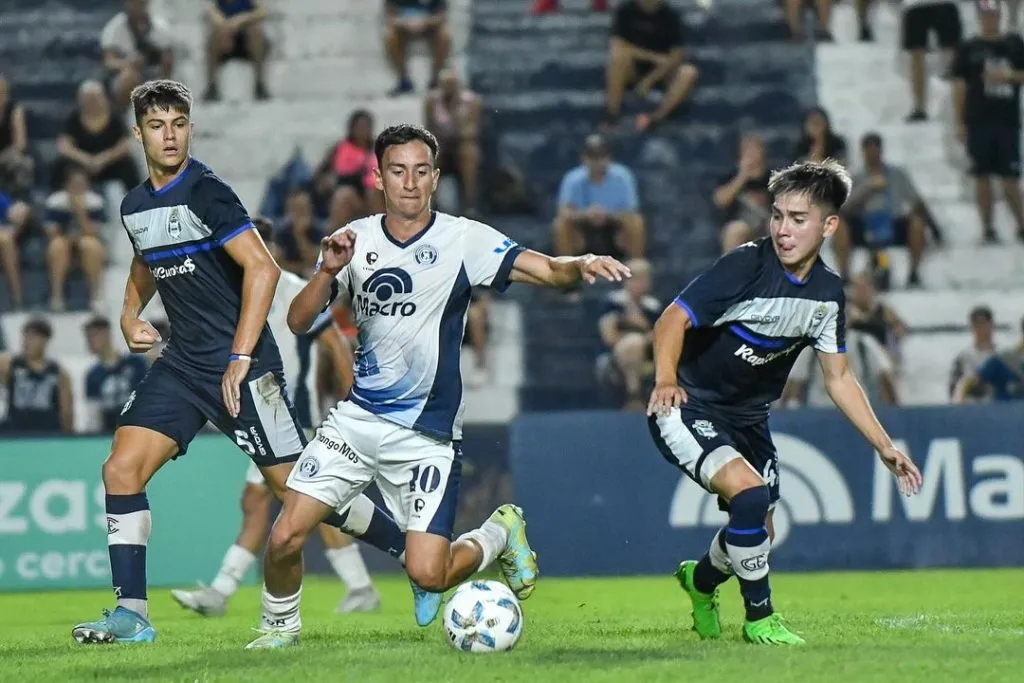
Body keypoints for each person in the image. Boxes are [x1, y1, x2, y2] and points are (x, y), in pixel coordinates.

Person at [245, 123, 631, 649]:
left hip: (426, 436)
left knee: (430, 574)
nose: (410, 182)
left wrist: (578, 263)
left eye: (421, 171)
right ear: (378, 177)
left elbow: (543, 270)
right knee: (286, 534)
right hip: (356, 421)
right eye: (398, 171)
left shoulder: (464, 238)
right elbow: (297, 321)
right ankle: (278, 630)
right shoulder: (353, 241)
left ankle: (498, 532)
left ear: (436, 178)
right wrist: (326, 272)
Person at [70, 80, 420, 646]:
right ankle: (132, 615)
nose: (169, 135)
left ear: (190, 127)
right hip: (183, 366)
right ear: (138, 133)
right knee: (120, 469)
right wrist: (128, 313)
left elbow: (261, 269)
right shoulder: (134, 205)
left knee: (302, 494)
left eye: (178, 124)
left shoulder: (208, 192)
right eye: (157, 126)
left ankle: (410, 549)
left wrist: (239, 358)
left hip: (243, 368)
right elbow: (144, 260)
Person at [646, 160, 922, 646]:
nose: (783, 229)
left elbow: (838, 378)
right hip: (688, 405)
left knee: (758, 529)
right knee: (750, 496)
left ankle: (700, 582)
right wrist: (666, 378)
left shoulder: (828, 294)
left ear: (829, 225)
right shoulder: (746, 265)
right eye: (777, 216)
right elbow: (671, 320)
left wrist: (883, 445)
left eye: (798, 218)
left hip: (749, 420)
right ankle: (760, 619)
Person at [169, 218, 381, 617]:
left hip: (295, 419)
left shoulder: (293, 289)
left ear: (269, 250)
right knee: (263, 503)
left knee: (304, 505)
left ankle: (360, 583)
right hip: (264, 417)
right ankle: (223, 593)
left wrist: (357, 400)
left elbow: (335, 343)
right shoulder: (236, 293)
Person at [951, 0, 1024, 244]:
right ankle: (988, 227)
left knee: (1009, 178)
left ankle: (1021, 223)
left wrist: (1008, 76)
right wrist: (960, 121)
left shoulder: (1014, 44)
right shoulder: (969, 48)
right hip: (979, 120)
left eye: (993, 13)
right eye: (986, 13)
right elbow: (959, 85)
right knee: (981, 175)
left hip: (1007, 121)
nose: (990, 17)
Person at [0, 318, 73, 434]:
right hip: (15, 432)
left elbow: (66, 412)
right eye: (24, 337)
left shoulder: (58, 373)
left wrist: (68, 435)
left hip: (47, 433)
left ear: (45, 340)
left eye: (32, 338)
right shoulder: (10, 365)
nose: (26, 342)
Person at [83, 316, 149, 433]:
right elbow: (94, 415)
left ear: (105, 334)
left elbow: (149, 398)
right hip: (111, 434)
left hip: (139, 430)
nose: (89, 342)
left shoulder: (136, 364)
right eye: (88, 338)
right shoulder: (93, 375)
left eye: (92, 336)